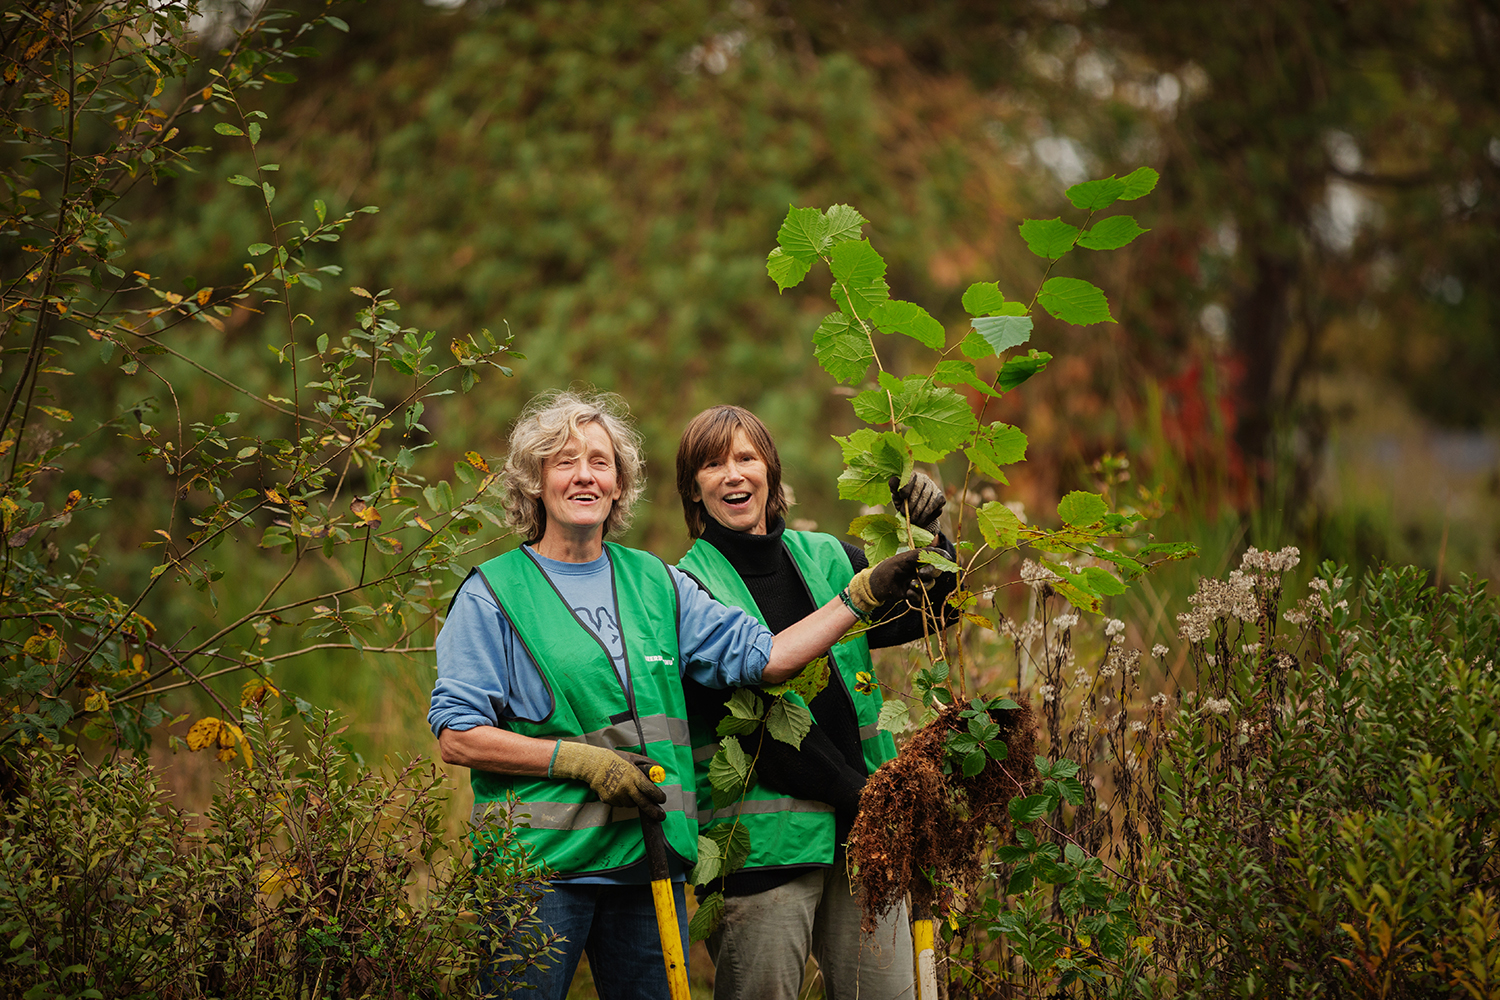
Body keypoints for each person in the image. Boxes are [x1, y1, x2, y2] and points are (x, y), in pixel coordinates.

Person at [428, 390, 932, 1000]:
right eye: (563, 462)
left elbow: (765, 658)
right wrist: (576, 760)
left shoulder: (655, 582)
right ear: (533, 481)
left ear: (620, 485)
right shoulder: (493, 594)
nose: (584, 474)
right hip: (537, 869)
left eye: (600, 462)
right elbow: (456, 733)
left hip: (646, 860)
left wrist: (860, 596)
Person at [675, 404, 955, 1000]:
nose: (733, 474)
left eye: (747, 457)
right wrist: (863, 796)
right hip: (764, 855)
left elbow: (931, 613)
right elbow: (749, 726)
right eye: (713, 463)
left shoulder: (826, 557)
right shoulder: (687, 587)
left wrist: (930, 534)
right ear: (694, 490)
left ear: (771, 473)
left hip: (864, 842)